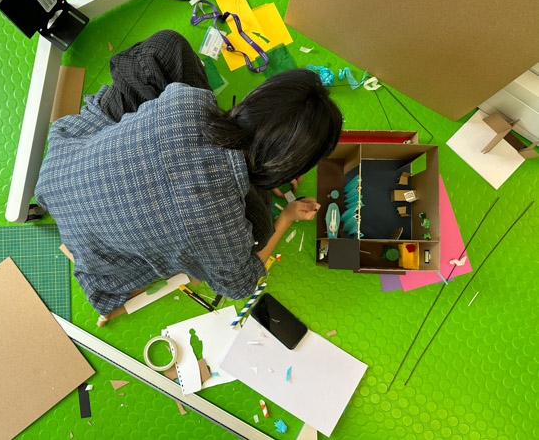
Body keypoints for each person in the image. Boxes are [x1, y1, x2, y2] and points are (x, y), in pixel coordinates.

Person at [35, 30, 343, 317]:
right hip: (94, 238)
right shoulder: (225, 227)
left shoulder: (187, 100)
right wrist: (285, 217)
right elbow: (241, 285)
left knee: (168, 47)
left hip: (60, 171)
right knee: (261, 229)